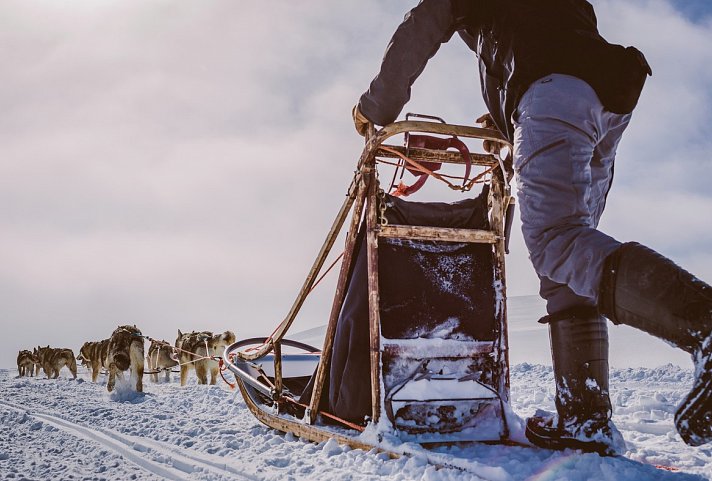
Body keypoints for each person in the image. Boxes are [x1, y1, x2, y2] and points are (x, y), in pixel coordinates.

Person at [352, 0, 711, 455]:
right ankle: (585, 420)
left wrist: (376, 109)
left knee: (558, 241)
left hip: (554, 92)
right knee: (571, 258)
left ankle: (704, 323)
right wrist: (511, 116)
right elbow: (552, 33)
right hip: (606, 96)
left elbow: (425, 22)